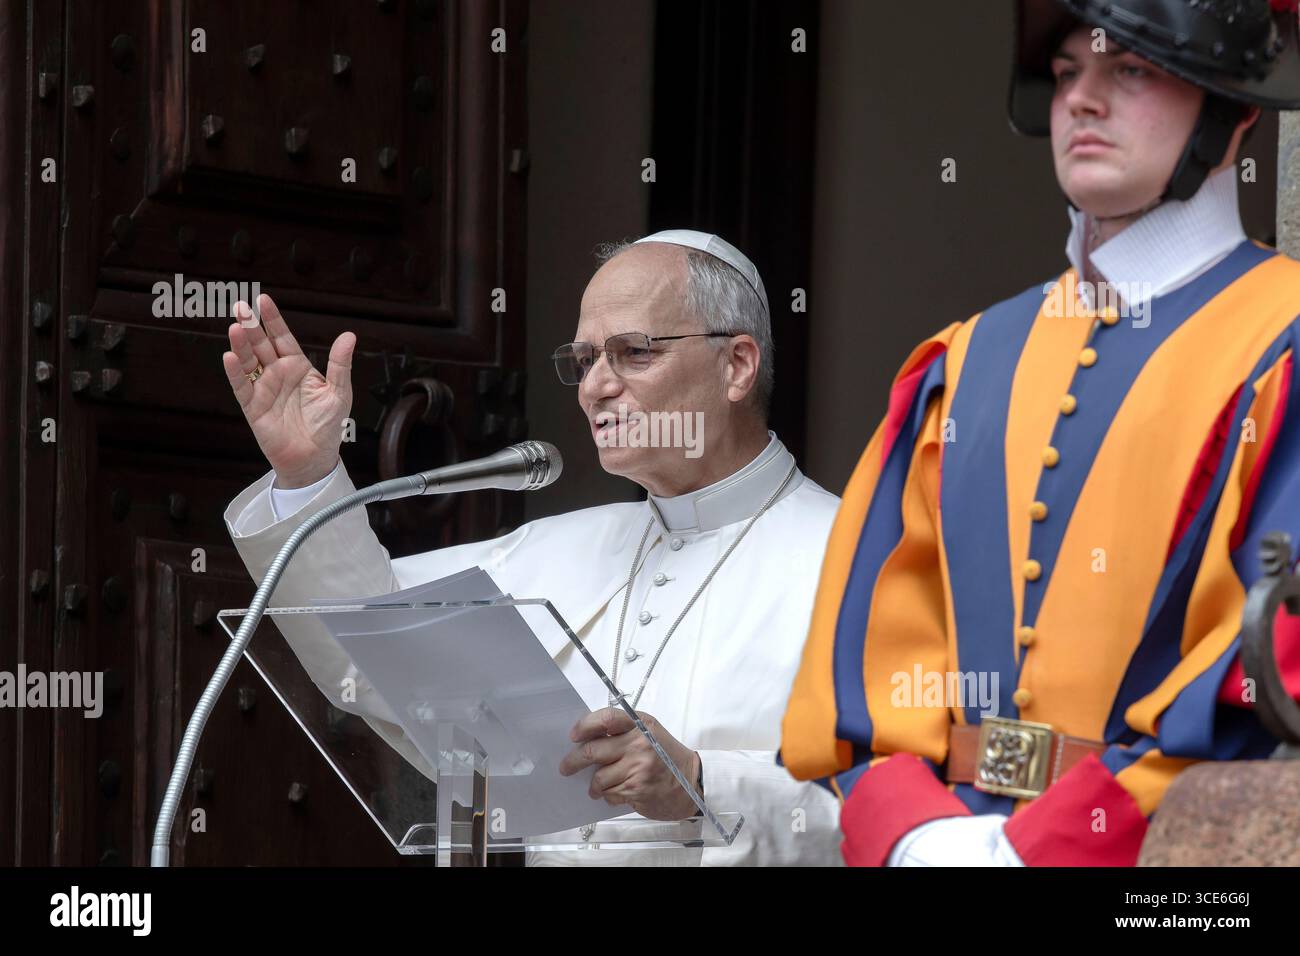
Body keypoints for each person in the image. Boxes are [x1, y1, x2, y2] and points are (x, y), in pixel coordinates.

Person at [781, 0, 1300, 866]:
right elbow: (871, 652)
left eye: (1130, 69)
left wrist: (1047, 845)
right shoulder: (964, 358)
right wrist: (915, 834)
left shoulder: (1284, 337)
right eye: (1066, 75)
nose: (1082, 102)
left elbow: (1272, 663)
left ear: (1234, 104)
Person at [222, 230, 842, 865]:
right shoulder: (554, 549)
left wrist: (703, 782)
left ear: (736, 365)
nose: (595, 387)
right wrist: (309, 477)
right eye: (584, 360)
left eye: (632, 353)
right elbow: (368, 647)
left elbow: (929, 812)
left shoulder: (865, 564)